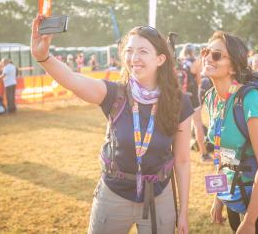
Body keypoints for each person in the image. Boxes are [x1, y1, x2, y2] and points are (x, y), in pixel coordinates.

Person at [31, 15, 193, 234]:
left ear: (161, 59)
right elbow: (73, 80)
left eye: (143, 51)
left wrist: (182, 211)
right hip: (113, 195)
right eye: (128, 50)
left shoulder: (178, 101)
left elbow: (182, 161)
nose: (133, 57)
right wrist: (43, 57)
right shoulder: (115, 93)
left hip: (159, 197)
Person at [203, 31, 258, 234]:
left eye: (216, 55)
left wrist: (249, 221)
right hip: (233, 195)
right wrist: (219, 197)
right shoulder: (211, 97)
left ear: (233, 66)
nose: (206, 57)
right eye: (206, 52)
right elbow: (222, 155)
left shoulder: (249, 99)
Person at [179, 43, 211, 162]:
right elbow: (199, 81)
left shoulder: (180, 62)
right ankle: (204, 154)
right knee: (197, 124)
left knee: (180, 127)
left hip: (180, 97)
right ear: (193, 52)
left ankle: (178, 153)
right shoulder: (196, 62)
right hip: (192, 97)